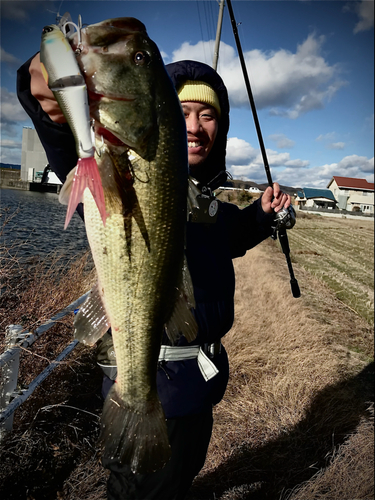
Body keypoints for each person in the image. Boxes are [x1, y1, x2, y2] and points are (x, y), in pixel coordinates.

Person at [17, 47, 290, 499]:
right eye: (182, 111)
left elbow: (229, 237)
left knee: (177, 479)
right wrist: (50, 89)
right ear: (157, 114)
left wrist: (260, 216)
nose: (196, 126)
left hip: (199, 387)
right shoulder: (117, 168)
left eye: (209, 115)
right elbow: (62, 133)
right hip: (153, 387)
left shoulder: (206, 204)